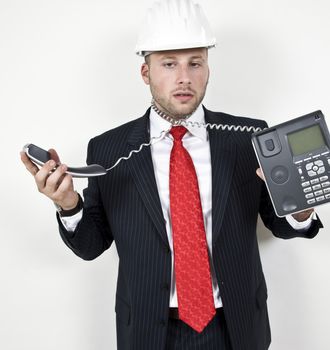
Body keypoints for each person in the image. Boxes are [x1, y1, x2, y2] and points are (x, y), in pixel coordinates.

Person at [20, 0, 323, 349]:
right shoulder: (108, 150)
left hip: (236, 327)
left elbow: (280, 224)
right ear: (145, 73)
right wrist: (68, 204)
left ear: (208, 69)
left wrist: (300, 206)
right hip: (150, 332)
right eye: (168, 64)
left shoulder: (248, 137)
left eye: (195, 63)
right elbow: (91, 246)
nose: (184, 78)